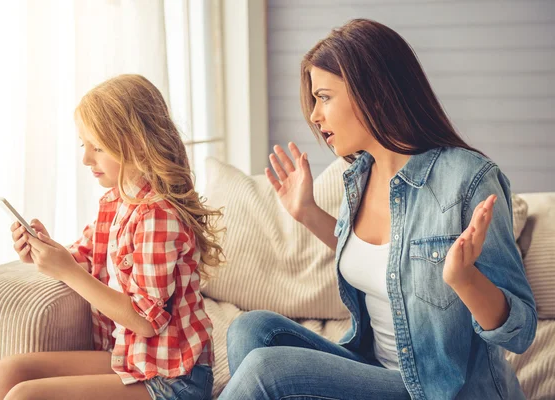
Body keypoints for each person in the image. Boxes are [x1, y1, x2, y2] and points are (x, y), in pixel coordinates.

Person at [219, 19, 536, 400]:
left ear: (372, 92)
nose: (315, 117)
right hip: (375, 370)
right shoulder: (359, 176)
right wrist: (306, 212)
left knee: (266, 371)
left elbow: (521, 331)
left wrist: (463, 278)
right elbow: (384, 260)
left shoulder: (467, 180)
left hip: (440, 390)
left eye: (324, 97)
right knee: (251, 331)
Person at [0, 74, 223, 400]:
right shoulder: (116, 201)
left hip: (174, 378)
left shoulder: (158, 215)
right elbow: (84, 257)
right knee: (8, 373)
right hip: (132, 359)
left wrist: (65, 270)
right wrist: (43, 250)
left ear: (136, 143)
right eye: (84, 145)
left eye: (97, 147)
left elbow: (145, 320)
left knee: (25, 396)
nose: (86, 159)